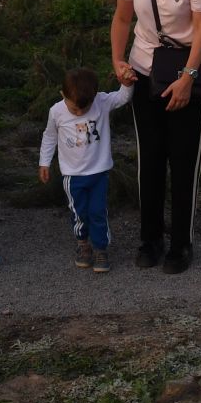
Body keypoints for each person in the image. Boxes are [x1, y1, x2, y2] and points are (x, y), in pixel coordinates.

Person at [110, 0, 201, 274]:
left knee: (184, 161)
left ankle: (181, 245)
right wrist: (119, 61)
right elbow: (122, 19)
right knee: (150, 160)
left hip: (187, 70)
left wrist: (188, 78)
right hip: (144, 70)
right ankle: (149, 239)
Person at [39, 66, 134, 274]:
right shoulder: (56, 111)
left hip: (99, 173)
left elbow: (122, 97)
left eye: (85, 108)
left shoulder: (101, 102)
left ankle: (101, 248)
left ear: (94, 95)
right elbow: (49, 137)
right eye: (75, 109)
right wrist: (44, 162)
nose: (80, 113)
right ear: (63, 94)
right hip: (73, 176)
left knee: (98, 212)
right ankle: (83, 244)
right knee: (79, 211)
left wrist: (126, 83)